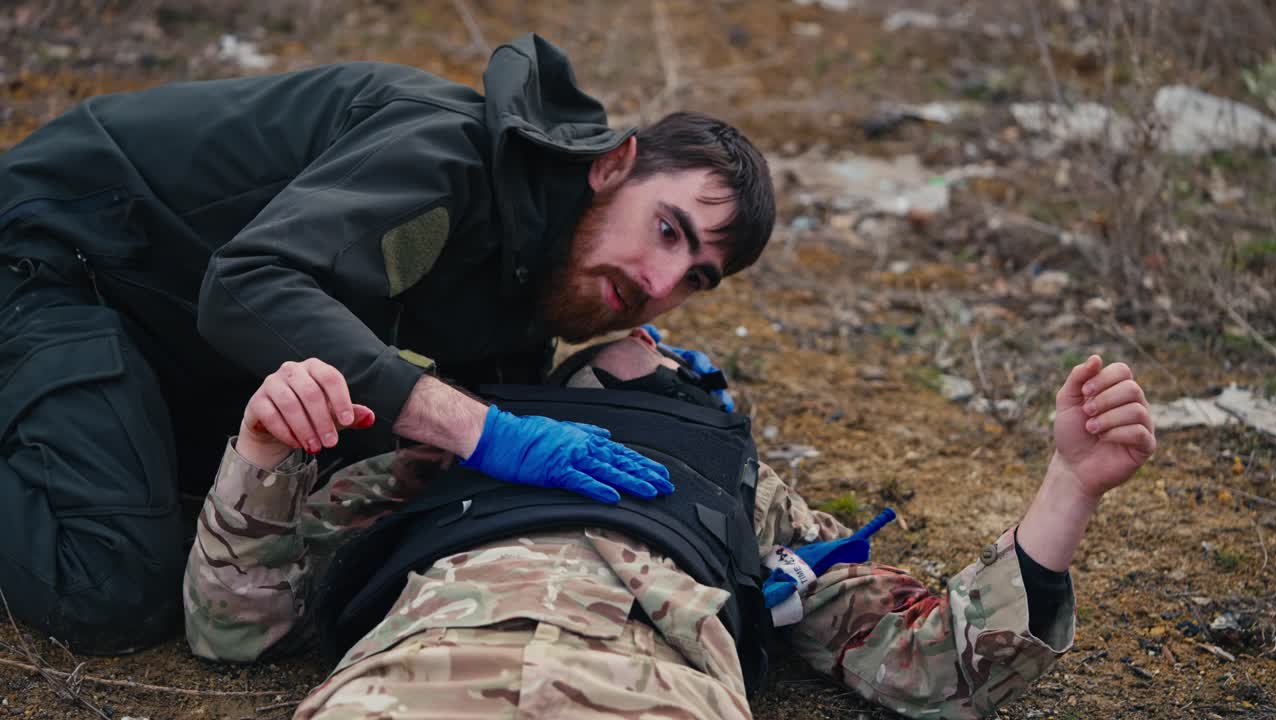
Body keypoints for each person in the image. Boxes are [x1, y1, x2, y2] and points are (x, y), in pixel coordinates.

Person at [0, 33, 774, 653]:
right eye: (668, 229)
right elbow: (247, 286)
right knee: (106, 585)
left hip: (161, 339)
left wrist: (716, 574)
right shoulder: (448, 153)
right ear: (613, 166)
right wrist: (478, 426)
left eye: (695, 277)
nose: (659, 278)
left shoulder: (527, 301)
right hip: (57, 258)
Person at [184, 328, 1157, 719]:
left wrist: (1068, 487)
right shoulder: (434, 459)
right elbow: (238, 624)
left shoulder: (751, 500)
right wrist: (264, 450)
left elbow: (935, 664)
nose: (647, 334)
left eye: (670, 347)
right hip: (411, 691)